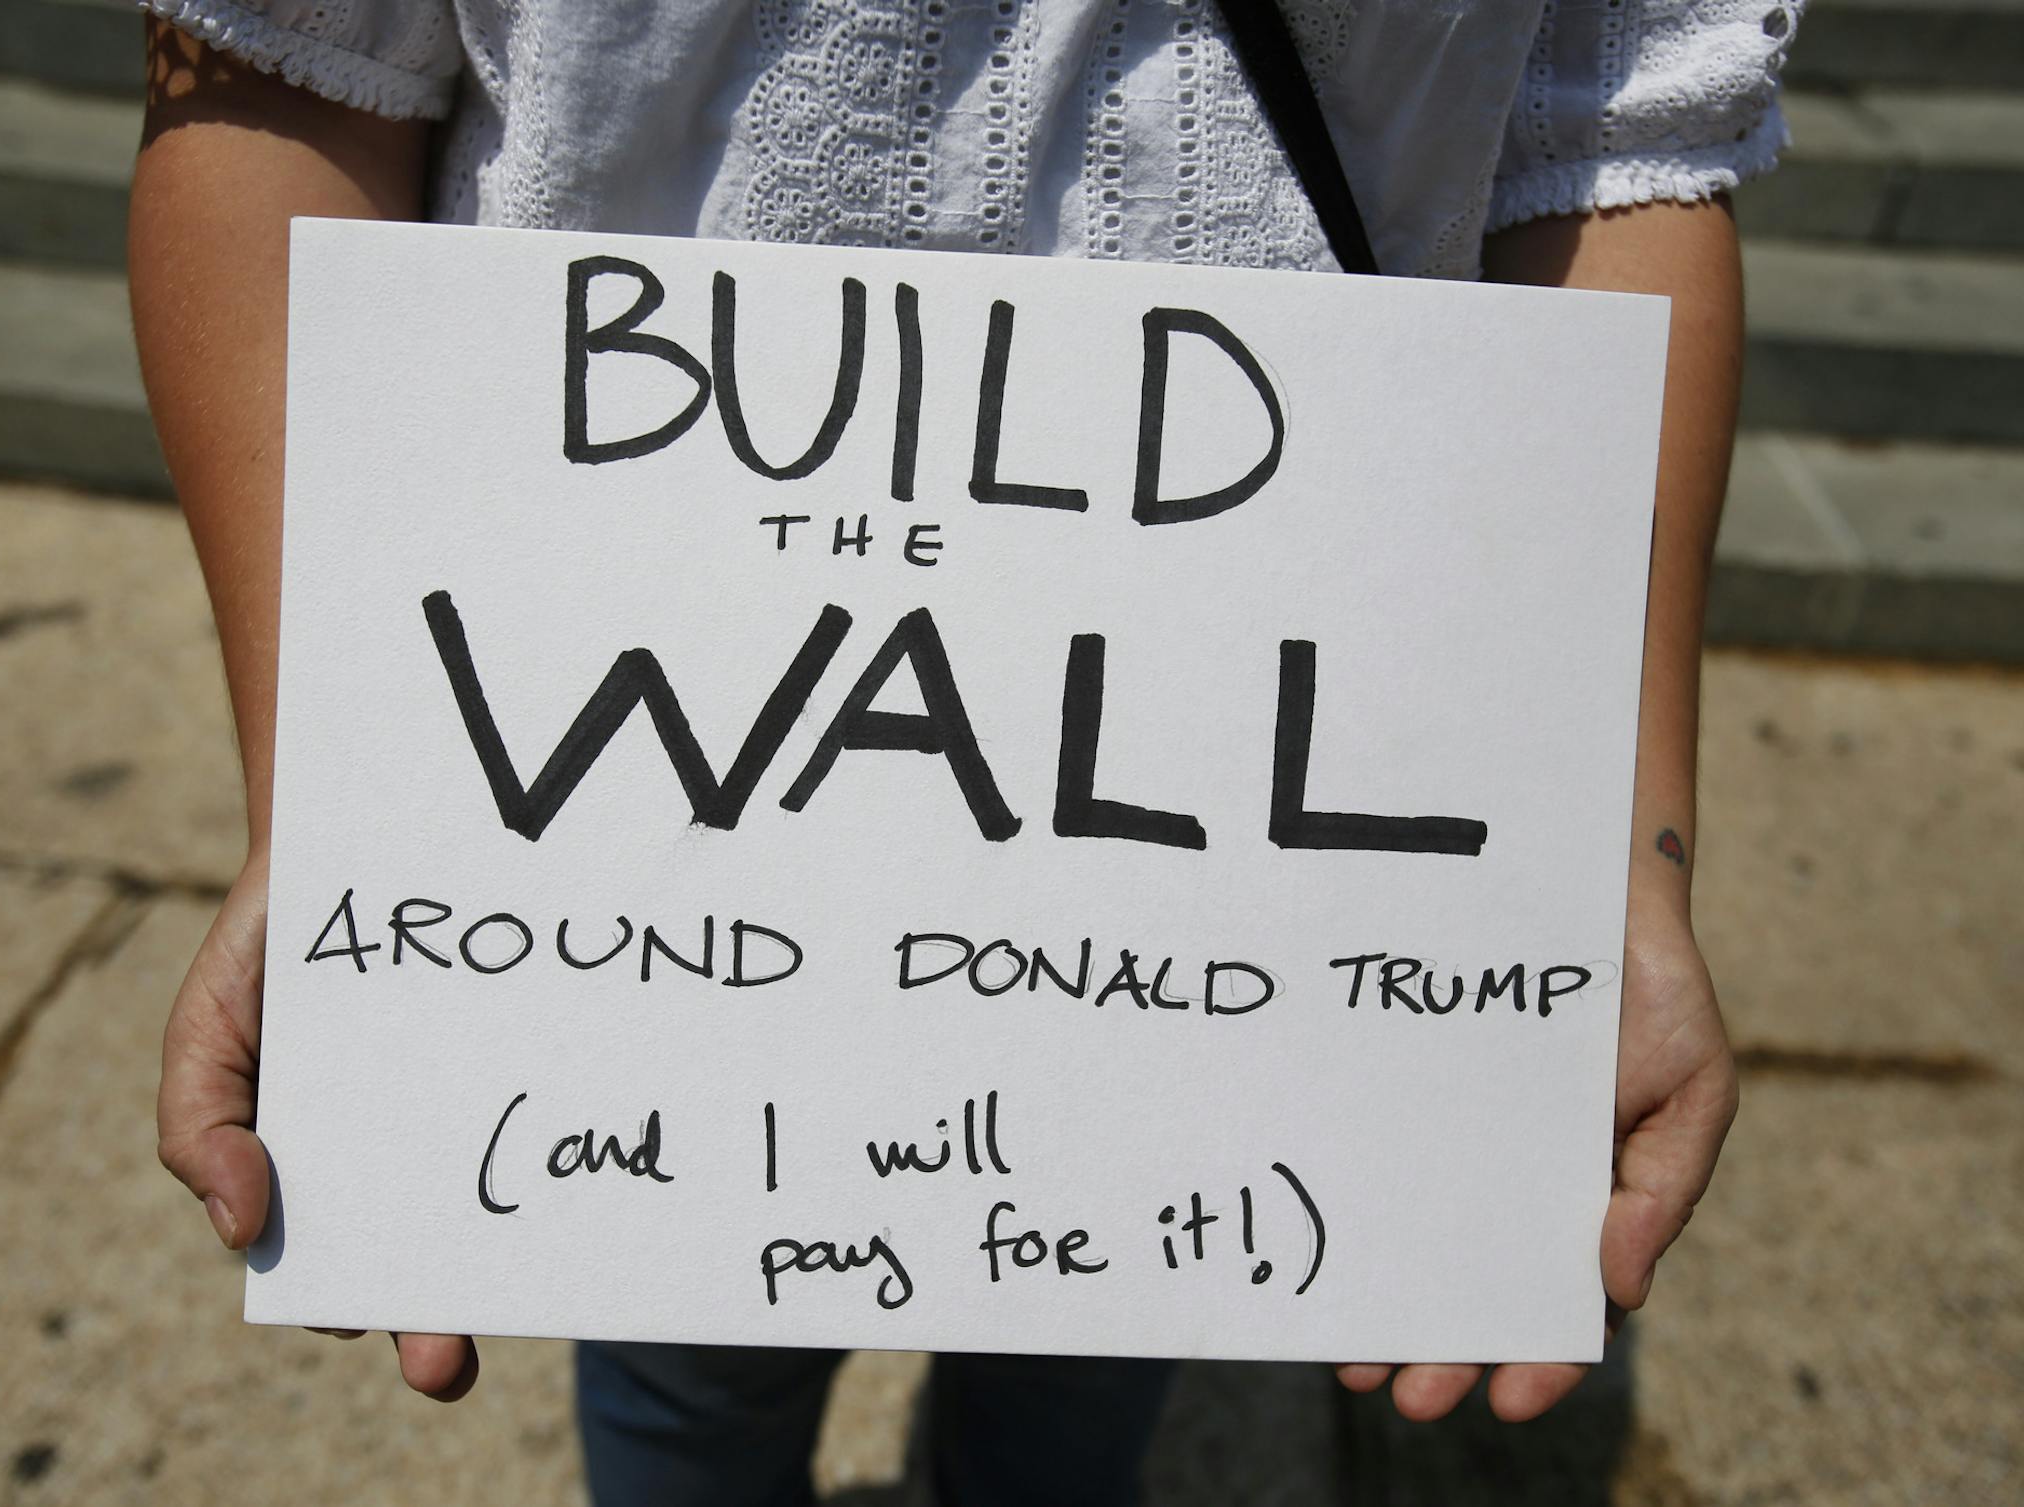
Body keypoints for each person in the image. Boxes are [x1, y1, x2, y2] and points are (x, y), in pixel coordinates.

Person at [134, 2, 1785, 1501]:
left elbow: (1618, 138)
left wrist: (1618, 847)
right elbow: (293, 77)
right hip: (634, 830)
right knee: (685, 1346)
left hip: (1229, 855)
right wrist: (341, 803)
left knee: (1097, 1343)